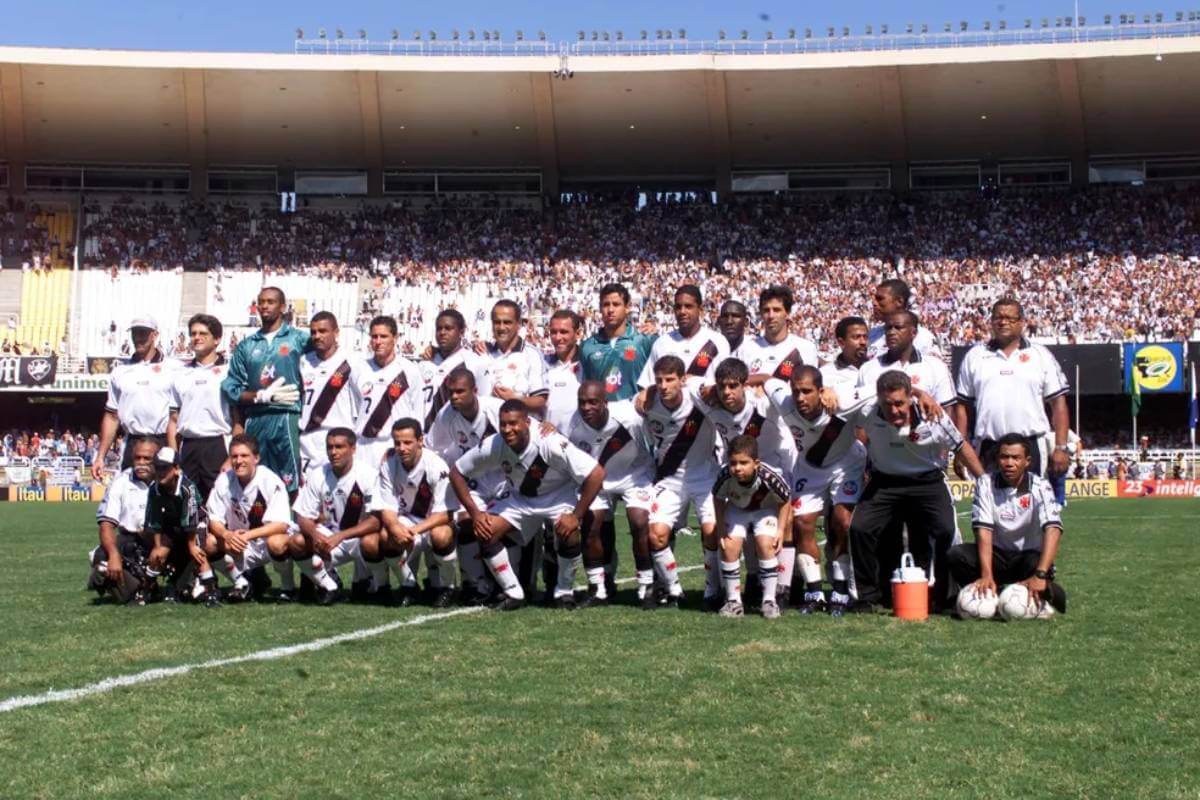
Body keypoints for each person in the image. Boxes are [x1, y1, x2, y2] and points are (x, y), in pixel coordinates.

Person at [847, 371, 985, 612]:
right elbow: (840, 402)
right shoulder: (868, 412)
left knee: (945, 531)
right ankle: (868, 597)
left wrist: (984, 483)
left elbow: (961, 446)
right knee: (860, 528)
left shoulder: (934, 416)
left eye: (900, 403)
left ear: (910, 397)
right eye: (887, 404)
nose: (894, 411)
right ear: (878, 399)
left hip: (927, 482)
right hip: (885, 482)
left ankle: (944, 596)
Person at [449, 399, 606, 611]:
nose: (507, 429)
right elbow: (457, 472)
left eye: (513, 423)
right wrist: (476, 514)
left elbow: (596, 474)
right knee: (486, 531)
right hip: (520, 498)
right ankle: (513, 592)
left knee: (569, 533)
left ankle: (564, 591)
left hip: (558, 497)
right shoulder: (495, 444)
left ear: (527, 422)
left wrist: (575, 516)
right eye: (503, 424)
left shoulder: (549, 442)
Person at [948, 433, 1067, 617]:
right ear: (997, 459)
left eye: (1016, 458)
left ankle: (1040, 589)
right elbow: (983, 531)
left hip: (1026, 558)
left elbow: (1053, 529)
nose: (1009, 463)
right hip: (998, 557)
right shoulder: (986, 484)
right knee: (956, 555)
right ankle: (988, 594)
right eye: (1004, 457)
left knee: (1036, 562)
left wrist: (1041, 573)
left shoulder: (1040, 486)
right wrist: (986, 573)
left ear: (1027, 461)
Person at [953, 299, 1071, 476]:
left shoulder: (1040, 355)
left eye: (1010, 318)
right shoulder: (975, 356)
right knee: (989, 502)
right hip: (989, 446)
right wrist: (961, 446)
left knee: (1029, 502)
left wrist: (1061, 446)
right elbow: (962, 406)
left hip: (1030, 446)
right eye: (998, 317)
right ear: (991, 321)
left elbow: (1058, 403)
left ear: (1022, 322)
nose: (1003, 322)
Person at [565, 380, 656, 605]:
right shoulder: (573, 425)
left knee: (639, 521)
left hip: (634, 474)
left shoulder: (630, 418)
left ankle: (647, 586)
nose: (586, 408)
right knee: (590, 524)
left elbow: (655, 440)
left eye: (593, 402)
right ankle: (598, 589)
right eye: (582, 402)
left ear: (605, 403)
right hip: (599, 479)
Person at [641, 355, 722, 609]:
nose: (664, 386)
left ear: (682, 379)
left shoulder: (699, 399)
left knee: (711, 531)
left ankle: (712, 589)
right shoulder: (648, 404)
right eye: (659, 380)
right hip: (670, 479)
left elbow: (716, 392)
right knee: (656, 536)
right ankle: (675, 590)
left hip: (704, 476)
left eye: (670, 380)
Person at [425, 366, 506, 603]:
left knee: (505, 528)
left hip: (504, 478)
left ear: (475, 390)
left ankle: (510, 582)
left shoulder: (495, 409)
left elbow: (527, 427)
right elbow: (432, 447)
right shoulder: (447, 415)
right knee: (467, 522)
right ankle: (474, 583)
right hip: (472, 481)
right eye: (451, 392)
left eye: (460, 391)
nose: (454, 397)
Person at [221, 287, 309, 495]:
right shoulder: (246, 345)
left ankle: (288, 525)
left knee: (289, 481)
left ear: (282, 306)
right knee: (255, 478)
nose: (265, 306)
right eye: (261, 302)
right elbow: (231, 388)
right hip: (255, 418)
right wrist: (259, 396)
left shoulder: (299, 339)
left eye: (270, 302)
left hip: (286, 416)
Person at [368, 418, 458, 607]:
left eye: (407, 442)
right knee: (386, 535)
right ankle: (409, 586)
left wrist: (414, 530)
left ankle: (448, 588)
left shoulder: (436, 465)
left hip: (433, 521)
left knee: (440, 535)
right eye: (397, 443)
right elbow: (387, 505)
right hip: (407, 520)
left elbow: (446, 513)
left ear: (420, 441)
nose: (402, 448)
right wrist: (394, 527)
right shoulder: (388, 464)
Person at [289, 427, 377, 605]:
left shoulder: (368, 475)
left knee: (373, 542)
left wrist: (341, 536)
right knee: (296, 541)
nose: (333, 452)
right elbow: (302, 516)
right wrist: (316, 537)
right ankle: (329, 584)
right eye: (330, 447)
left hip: (357, 538)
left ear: (353, 449)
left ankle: (378, 584)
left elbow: (375, 521)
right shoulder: (318, 474)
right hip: (329, 537)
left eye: (339, 447)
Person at [203, 434, 294, 601]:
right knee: (209, 542)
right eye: (234, 456)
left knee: (278, 542)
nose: (239, 461)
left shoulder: (270, 480)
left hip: (264, 543)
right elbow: (213, 520)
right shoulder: (224, 480)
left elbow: (281, 525)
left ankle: (288, 587)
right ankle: (241, 582)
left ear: (256, 458)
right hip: (237, 543)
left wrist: (247, 535)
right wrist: (227, 535)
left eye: (244, 456)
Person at [713, 435, 792, 619]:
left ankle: (769, 601)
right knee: (729, 545)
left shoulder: (769, 477)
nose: (737, 468)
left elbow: (785, 499)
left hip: (763, 510)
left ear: (756, 463)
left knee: (765, 544)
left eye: (743, 463)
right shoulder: (725, 475)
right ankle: (734, 602)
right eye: (733, 463)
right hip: (737, 509)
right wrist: (721, 529)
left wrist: (780, 530)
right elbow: (717, 498)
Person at [92, 318, 176, 480]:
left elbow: (177, 415)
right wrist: (101, 456)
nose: (138, 338)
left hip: (162, 441)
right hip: (132, 442)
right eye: (135, 333)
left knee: (164, 498)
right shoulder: (120, 371)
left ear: (155, 335)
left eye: (143, 333)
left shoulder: (174, 368)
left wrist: (175, 452)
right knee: (129, 497)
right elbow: (111, 416)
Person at [167, 313, 235, 501]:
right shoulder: (180, 374)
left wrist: (231, 456)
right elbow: (173, 420)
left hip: (217, 444)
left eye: (203, 333)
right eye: (193, 333)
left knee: (219, 504)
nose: (196, 337)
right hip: (188, 446)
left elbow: (239, 419)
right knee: (186, 507)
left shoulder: (228, 372)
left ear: (217, 339)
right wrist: (174, 456)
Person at [87, 437, 159, 604]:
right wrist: (113, 555)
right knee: (102, 555)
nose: (141, 463)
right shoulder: (120, 482)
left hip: (164, 540)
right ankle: (134, 587)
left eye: (147, 458)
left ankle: (181, 585)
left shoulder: (169, 479)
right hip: (132, 541)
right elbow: (106, 524)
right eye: (137, 458)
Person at [143, 445, 216, 606]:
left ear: (176, 469)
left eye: (165, 468)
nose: (160, 472)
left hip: (196, 523)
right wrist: (157, 546)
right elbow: (154, 520)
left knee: (198, 553)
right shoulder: (154, 490)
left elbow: (190, 519)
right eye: (158, 468)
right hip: (173, 525)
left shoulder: (187, 488)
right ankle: (146, 591)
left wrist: (191, 545)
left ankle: (211, 592)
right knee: (157, 555)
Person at [353, 315, 426, 469]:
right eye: (374, 336)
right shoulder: (359, 369)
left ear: (395, 338)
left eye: (383, 336)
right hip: (362, 446)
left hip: (394, 446)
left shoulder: (409, 370)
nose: (378, 341)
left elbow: (418, 414)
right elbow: (354, 410)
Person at [298, 312, 361, 474]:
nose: (317, 336)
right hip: (307, 443)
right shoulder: (303, 362)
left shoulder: (352, 362)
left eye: (323, 331)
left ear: (336, 333)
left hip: (338, 440)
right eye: (313, 332)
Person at [637, 285, 728, 390]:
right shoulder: (662, 343)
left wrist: (698, 383)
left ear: (700, 309)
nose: (682, 312)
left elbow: (727, 382)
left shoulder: (718, 341)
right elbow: (648, 384)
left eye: (688, 306)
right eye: (678, 307)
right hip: (669, 406)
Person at [858, 311, 956, 408]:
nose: (891, 332)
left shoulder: (935, 367)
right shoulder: (868, 368)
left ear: (913, 333)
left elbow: (948, 410)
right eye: (888, 328)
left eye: (898, 328)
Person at [579, 282, 656, 401]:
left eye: (616, 304)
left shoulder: (644, 340)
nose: (610, 309)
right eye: (606, 304)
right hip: (601, 416)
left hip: (635, 416)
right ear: (600, 308)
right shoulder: (587, 346)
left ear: (627, 307)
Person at [420, 309, 492, 432]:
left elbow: (484, 403)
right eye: (439, 328)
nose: (442, 332)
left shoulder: (475, 363)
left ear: (461, 332)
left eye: (448, 328)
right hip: (425, 435)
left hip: (458, 437)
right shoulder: (425, 362)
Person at [480, 300, 549, 416]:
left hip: (517, 429)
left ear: (518, 324)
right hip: (485, 430)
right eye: (497, 322)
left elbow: (541, 401)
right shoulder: (482, 352)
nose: (501, 327)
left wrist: (514, 399)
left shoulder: (532, 355)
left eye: (507, 322)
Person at [741, 286, 820, 382]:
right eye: (766, 310)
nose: (771, 316)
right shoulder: (747, 348)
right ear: (761, 313)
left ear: (787, 313)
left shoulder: (805, 348)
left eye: (776, 310)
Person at [866, 278, 940, 360]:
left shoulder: (922, 337)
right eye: (874, 299)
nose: (874, 303)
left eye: (880, 299)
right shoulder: (872, 334)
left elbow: (935, 369)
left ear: (899, 301)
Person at [544, 310, 583, 431]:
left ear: (577, 334)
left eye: (564, 332)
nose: (558, 337)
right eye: (553, 332)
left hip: (582, 442)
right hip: (549, 440)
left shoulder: (589, 363)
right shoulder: (542, 364)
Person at [820, 316, 869, 393]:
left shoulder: (876, 368)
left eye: (865, 337)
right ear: (841, 342)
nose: (863, 342)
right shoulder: (825, 375)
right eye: (856, 337)